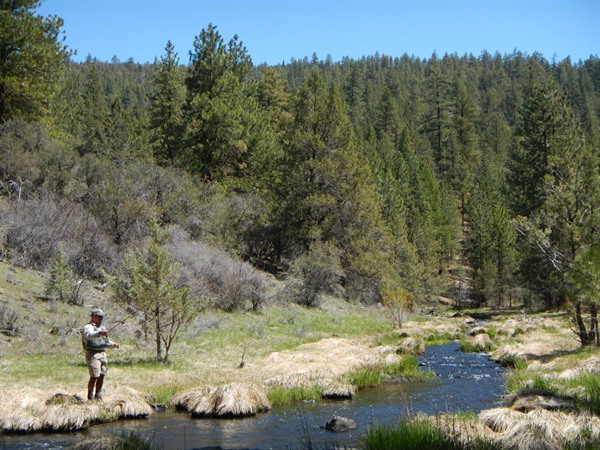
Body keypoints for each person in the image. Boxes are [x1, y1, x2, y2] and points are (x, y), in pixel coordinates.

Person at [81, 307, 120, 401]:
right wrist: (99, 333)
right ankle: (90, 396)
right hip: (92, 354)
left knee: (102, 375)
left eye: (101, 317)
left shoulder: (102, 328)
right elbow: (89, 335)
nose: (100, 318)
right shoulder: (88, 327)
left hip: (102, 354)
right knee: (94, 376)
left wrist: (113, 345)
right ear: (93, 316)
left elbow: (107, 342)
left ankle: (98, 395)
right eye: (98, 316)